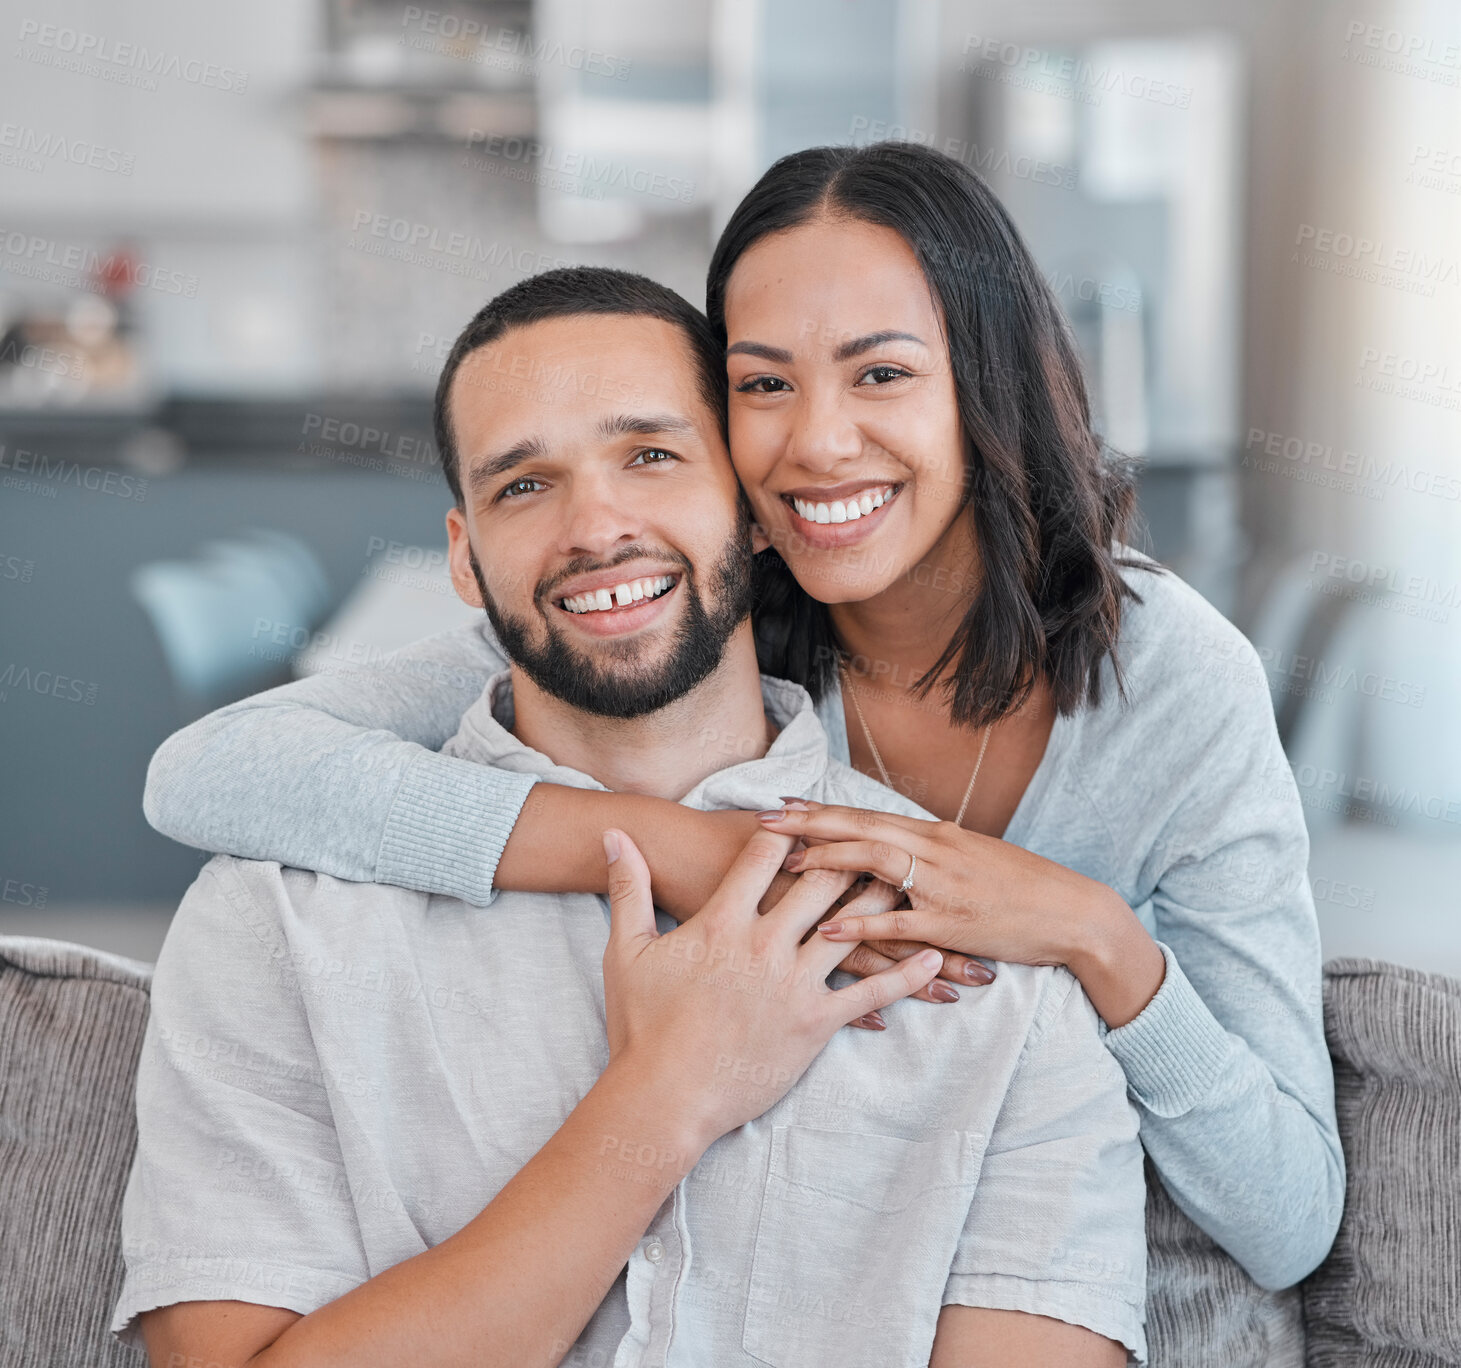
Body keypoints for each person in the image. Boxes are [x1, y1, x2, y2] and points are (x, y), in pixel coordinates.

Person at [142, 141, 1344, 1290]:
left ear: (988, 383)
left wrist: (1096, 937)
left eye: (882, 372)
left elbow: (1291, 1219)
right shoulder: (694, 615)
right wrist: (694, 849)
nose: (817, 444)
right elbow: (212, 771)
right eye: (764, 384)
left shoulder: (1171, 681)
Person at [113, 268, 1149, 1368]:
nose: (597, 526)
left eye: (651, 456)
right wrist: (666, 1099)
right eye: (525, 486)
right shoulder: (271, 924)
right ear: (466, 558)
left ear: (756, 512)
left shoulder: (973, 956)